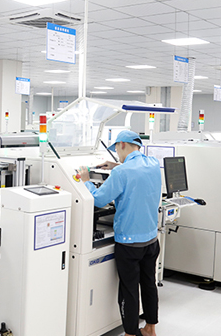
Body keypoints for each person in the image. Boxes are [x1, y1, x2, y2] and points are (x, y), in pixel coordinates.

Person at [78, 130, 161, 336]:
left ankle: (130, 333)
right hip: (151, 240)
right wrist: (116, 166)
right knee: (149, 284)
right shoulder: (153, 164)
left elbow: (99, 199)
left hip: (129, 244)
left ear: (122, 144)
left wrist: (86, 180)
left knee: (129, 289)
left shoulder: (122, 173)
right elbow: (135, 170)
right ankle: (150, 329)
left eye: (116, 148)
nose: (117, 153)